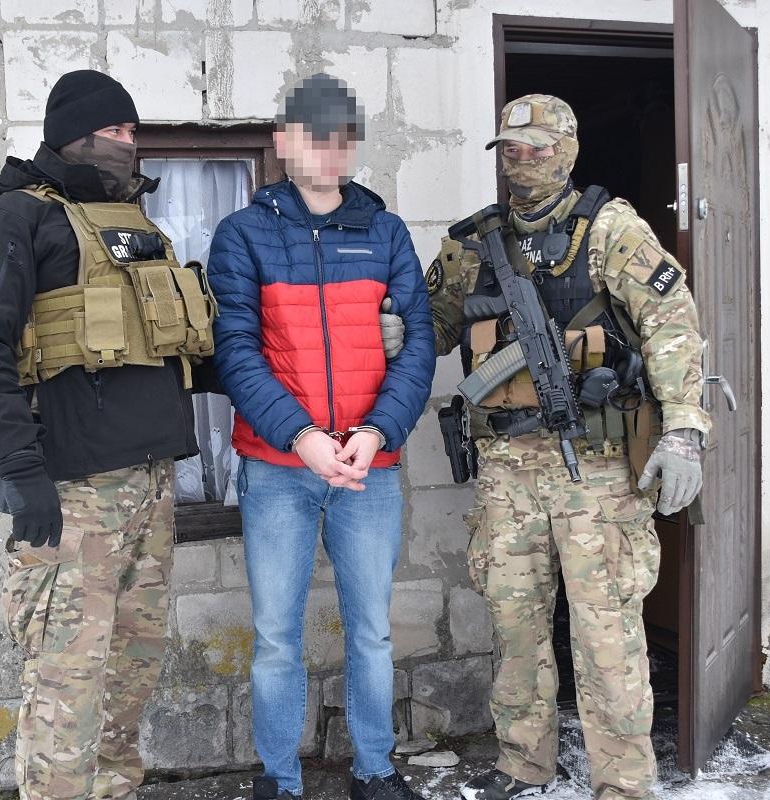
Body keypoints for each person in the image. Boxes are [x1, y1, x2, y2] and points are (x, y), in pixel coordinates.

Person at [0, 70, 218, 800]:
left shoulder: (138, 228)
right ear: (72, 136)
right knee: (66, 692)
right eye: (113, 131)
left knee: (128, 684)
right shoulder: (13, 221)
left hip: (151, 486)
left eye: (133, 131)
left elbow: (174, 344)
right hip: (74, 496)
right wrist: (19, 468)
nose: (128, 143)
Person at [429, 94, 709, 800]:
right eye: (511, 150)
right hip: (506, 471)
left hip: (598, 472)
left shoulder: (612, 229)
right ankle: (523, 762)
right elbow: (436, 322)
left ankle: (624, 782)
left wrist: (683, 429)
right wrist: (395, 331)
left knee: (606, 634)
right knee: (515, 627)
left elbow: (672, 324)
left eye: (538, 148)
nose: (522, 162)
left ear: (568, 151)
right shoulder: (472, 244)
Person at [206, 73, 436, 800]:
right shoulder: (244, 234)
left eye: (342, 136)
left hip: (370, 468)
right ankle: (280, 779)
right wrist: (301, 435)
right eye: (314, 135)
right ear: (284, 142)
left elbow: (419, 345)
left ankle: (374, 769)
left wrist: (378, 431)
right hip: (279, 470)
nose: (329, 150)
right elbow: (235, 351)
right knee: (277, 636)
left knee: (372, 632)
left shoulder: (385, 232)